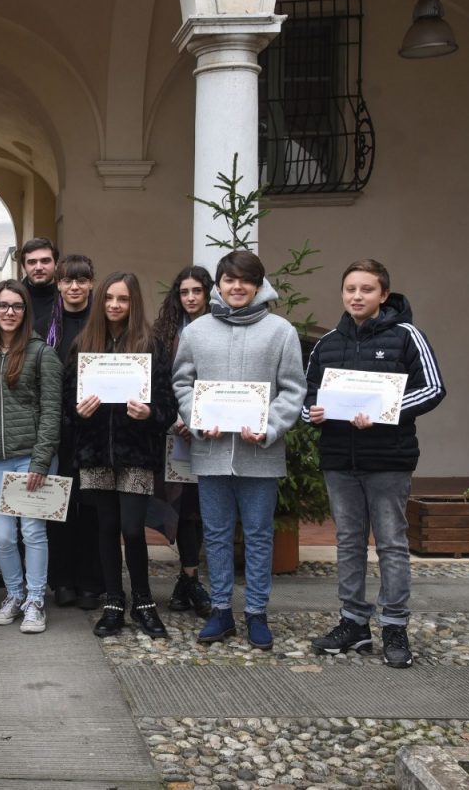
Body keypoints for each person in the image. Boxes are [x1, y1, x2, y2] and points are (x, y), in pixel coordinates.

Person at [305, 259, 445, 669]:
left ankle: (395, 626)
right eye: (350, 289)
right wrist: (309, 412)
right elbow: (307, 395)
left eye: (366, 289)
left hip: (388, 460)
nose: (357, 296)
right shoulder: (327, 342)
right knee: (348, 542)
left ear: (384, 295)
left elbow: (434, 388)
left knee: (391, 544)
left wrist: (388, 411)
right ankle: (353, 622)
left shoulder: (407, 337)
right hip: (339, 460)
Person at [173, 251, 306, 651]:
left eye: (244, 280)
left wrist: (268, 426)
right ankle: (220, 611)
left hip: (260, 454)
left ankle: (256, 613)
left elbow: (293, 389)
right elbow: (183, 383)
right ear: (219, 285)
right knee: (214, 534)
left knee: (259, 535)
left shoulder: (280, 331)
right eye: (229, 280)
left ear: (258, 285)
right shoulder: (197, 332)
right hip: (212, 451)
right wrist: (197, 418)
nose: (236, 287)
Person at [66, 272, 177, 639]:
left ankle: (143, 601)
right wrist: (78, 411)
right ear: (101, 302)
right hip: (95, 452)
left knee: (132, 528)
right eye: (110, 298)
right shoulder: (84, 344)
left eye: (123, 299)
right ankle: (114, 600)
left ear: (134, 304)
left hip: (136, 452)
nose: (115, 305)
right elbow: (68, 403)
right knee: (106, 528)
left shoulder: (151, 346)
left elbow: (167, 407)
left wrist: (150, 414)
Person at [0, 281, 62, 634]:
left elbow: (51, 412)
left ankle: (36, 600)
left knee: (32, 530)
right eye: (2, 305)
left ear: (26, 312)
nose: (9, 312)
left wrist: (42, 461)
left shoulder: (42, 353)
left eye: (17, 306)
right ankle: (14, 595)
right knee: (3, 536)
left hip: (31, 456)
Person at [152, 266, 215, 619]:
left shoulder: (221, 328)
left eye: (197, 291)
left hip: (211, 432)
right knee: (179, 506)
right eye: (184, 292)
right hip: (173, 432)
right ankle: (188, 579)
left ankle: (188, 578)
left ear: (208, 294)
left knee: (198, 508)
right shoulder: (165, 334)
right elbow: (160, 380)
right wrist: (176, 418)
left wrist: (199, 418)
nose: (191, 298)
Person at [46, 253, 101, 609]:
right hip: (58, 430)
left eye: (81, 280)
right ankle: (61, 579)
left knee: (94, 509)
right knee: (59, 506)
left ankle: (91, 582)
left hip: (97, 430)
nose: (75, 287)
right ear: (58, 284)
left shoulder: (103, 321)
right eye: (68, 280)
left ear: (91, 283)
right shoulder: (46, 325)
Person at [19, 237, 59, 340]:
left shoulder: (68, 296)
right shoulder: (13, 297)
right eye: (32, 262)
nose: (39, 267)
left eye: (45, 261)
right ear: (24, 266)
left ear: (56, 264)